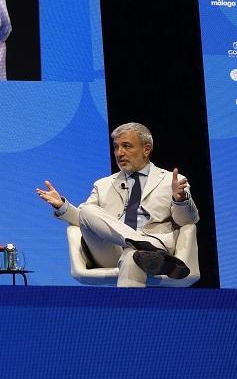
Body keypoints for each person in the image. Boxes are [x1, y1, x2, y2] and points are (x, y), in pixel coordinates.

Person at [36, 122, 197, 287]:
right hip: (110, 249)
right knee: (88, 210)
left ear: (146, 149)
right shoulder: (103, 184)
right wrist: (62, 206)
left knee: (133, 257)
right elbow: (85, 220)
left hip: (153, 243)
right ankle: (145, 246)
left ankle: (127, 309)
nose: (120, 153)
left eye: (126, 146)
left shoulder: (170, 181)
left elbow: (186, 221)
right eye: (116, 147)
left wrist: (180, 200)